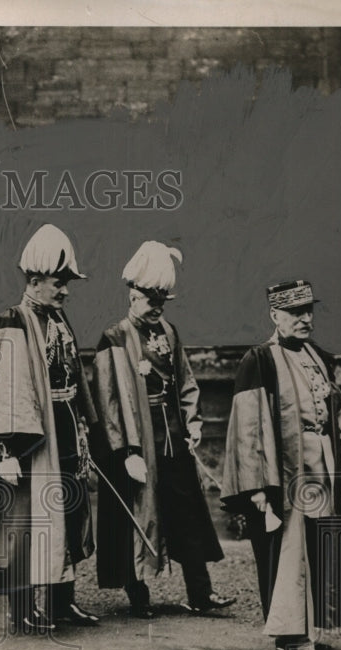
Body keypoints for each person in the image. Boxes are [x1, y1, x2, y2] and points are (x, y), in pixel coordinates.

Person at [221, 280, 341, 650]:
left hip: (323, 470)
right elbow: (247, 429)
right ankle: (296, 644)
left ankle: (306, 632)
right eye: (295, 312)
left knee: (319, 550)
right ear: (275, 316)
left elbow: (338, 414)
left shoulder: (318, 357)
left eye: (308, 310)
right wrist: (258, 489)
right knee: (290, 555)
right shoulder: (260, 360)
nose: (305, 319)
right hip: (286, 475)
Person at [92, 241, 235, 618]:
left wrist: (192, 422)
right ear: (132, 296)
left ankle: (200, 594)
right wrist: (126, 452)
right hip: (138, 443)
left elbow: (186, 381)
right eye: (150, 300)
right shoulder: (114, 338)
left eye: (162, 302)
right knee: (136, 516)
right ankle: (138, 595)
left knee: (187, 511)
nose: (157, 308)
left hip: (171, 436)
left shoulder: (169, 332)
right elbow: (108, 402)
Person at [0, 224, 100, 633]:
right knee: (25, 523)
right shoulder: (13, 320)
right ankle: (22, 608)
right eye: (59, 283)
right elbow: (4, 389)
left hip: (64, 432)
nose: (65, 291)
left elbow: (75, 379)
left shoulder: (58, 320)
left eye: (66, 284)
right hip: (30, 439)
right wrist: (5, 451)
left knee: (68, 514)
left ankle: (62, 602)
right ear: (34, 281)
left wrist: (85, 427)